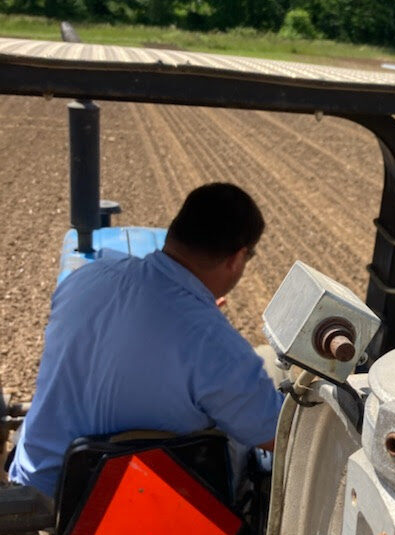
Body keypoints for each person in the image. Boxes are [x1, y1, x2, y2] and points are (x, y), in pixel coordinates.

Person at [8, 182, 283, 501]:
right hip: (120, 509)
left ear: (175, 232)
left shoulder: (84, 278)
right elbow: (276, 434)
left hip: (38, 484)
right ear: (237, 258)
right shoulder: (217, 345)